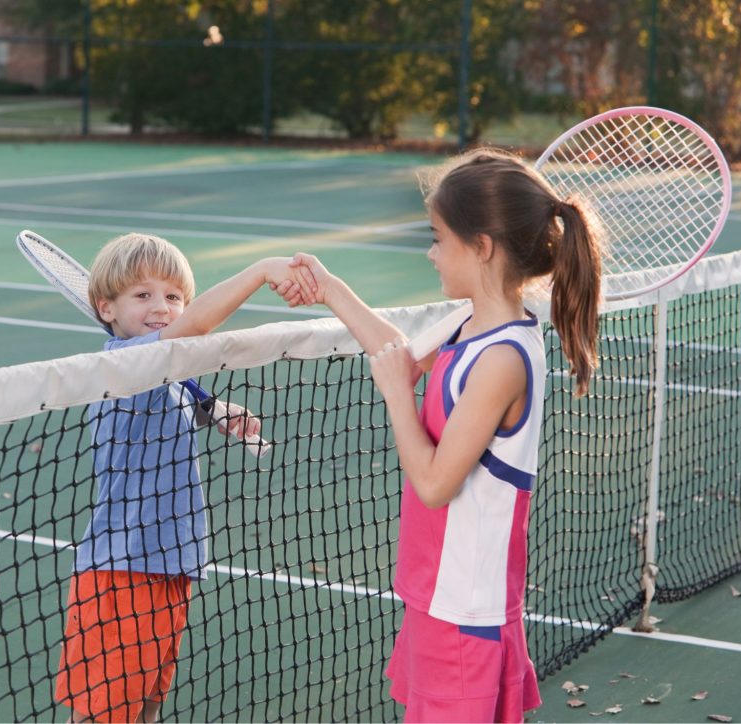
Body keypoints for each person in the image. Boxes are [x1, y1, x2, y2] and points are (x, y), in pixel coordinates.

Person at [282, 149, 602, 722]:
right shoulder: (469, 319)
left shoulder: (503, 357)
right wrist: (331, 289)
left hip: (467, 615)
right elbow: (399, 356)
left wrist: (396, 397)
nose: (430, 253)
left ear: (481, 247)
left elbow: (434, 483)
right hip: (436, 600)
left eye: (438, 238)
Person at [55, 232, 315, 723]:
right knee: (103, 716)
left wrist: (216, 411)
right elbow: (194, 329)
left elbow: (176, 393)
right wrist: (261, 270)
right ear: (105, 307)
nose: (162, 307)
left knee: (148, 707)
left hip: (170, 569)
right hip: (122, 576)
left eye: (173, 297)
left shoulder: (163, 376)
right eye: (143, 295)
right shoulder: (124, 367)